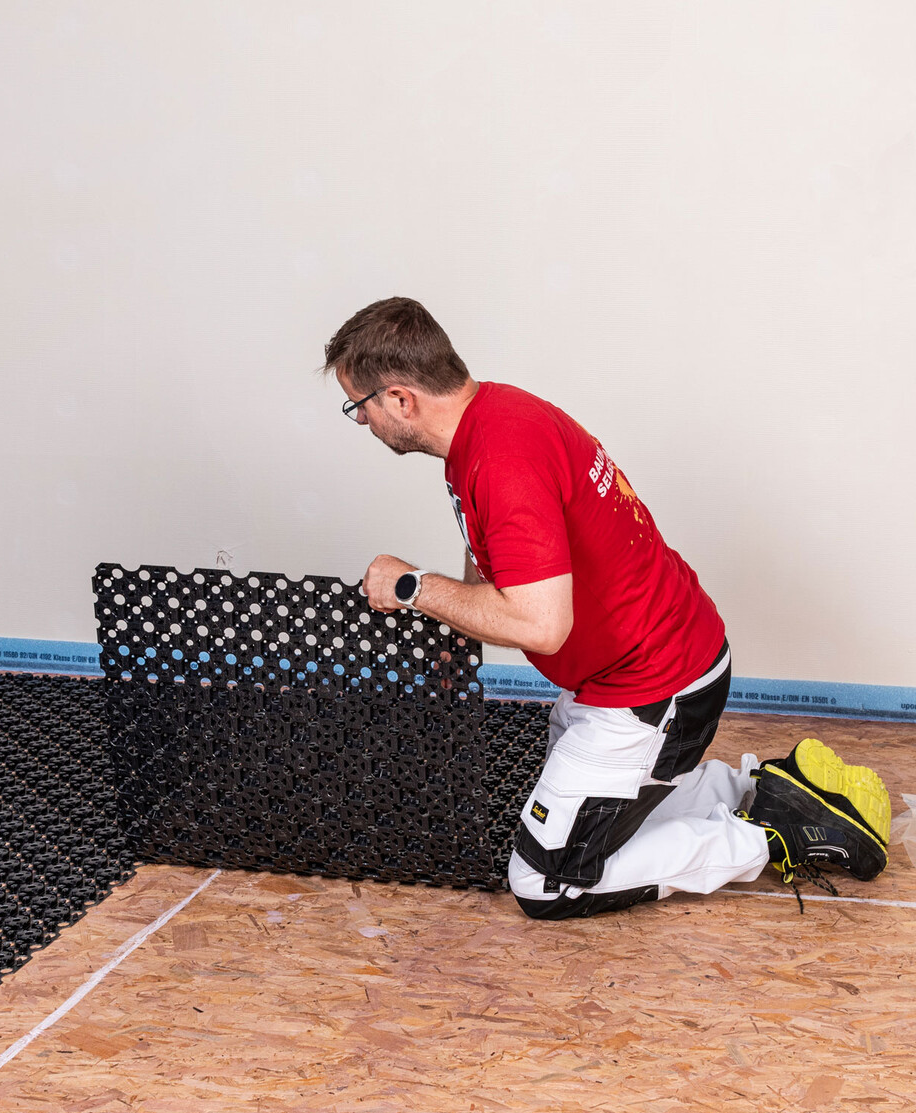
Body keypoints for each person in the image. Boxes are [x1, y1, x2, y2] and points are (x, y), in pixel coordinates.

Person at [323, 296, 890, 918]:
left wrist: (413, 587)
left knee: (546, 883)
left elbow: (541, 625)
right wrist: (458, 632)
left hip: (653, 688)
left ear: (400, 398)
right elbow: (492, 550)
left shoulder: (502, 461)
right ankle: (763, 789)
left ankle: (778, 837)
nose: (363, 421)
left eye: (360, 406)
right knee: (589, 820)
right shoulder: (492, 418)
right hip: (626, 672)